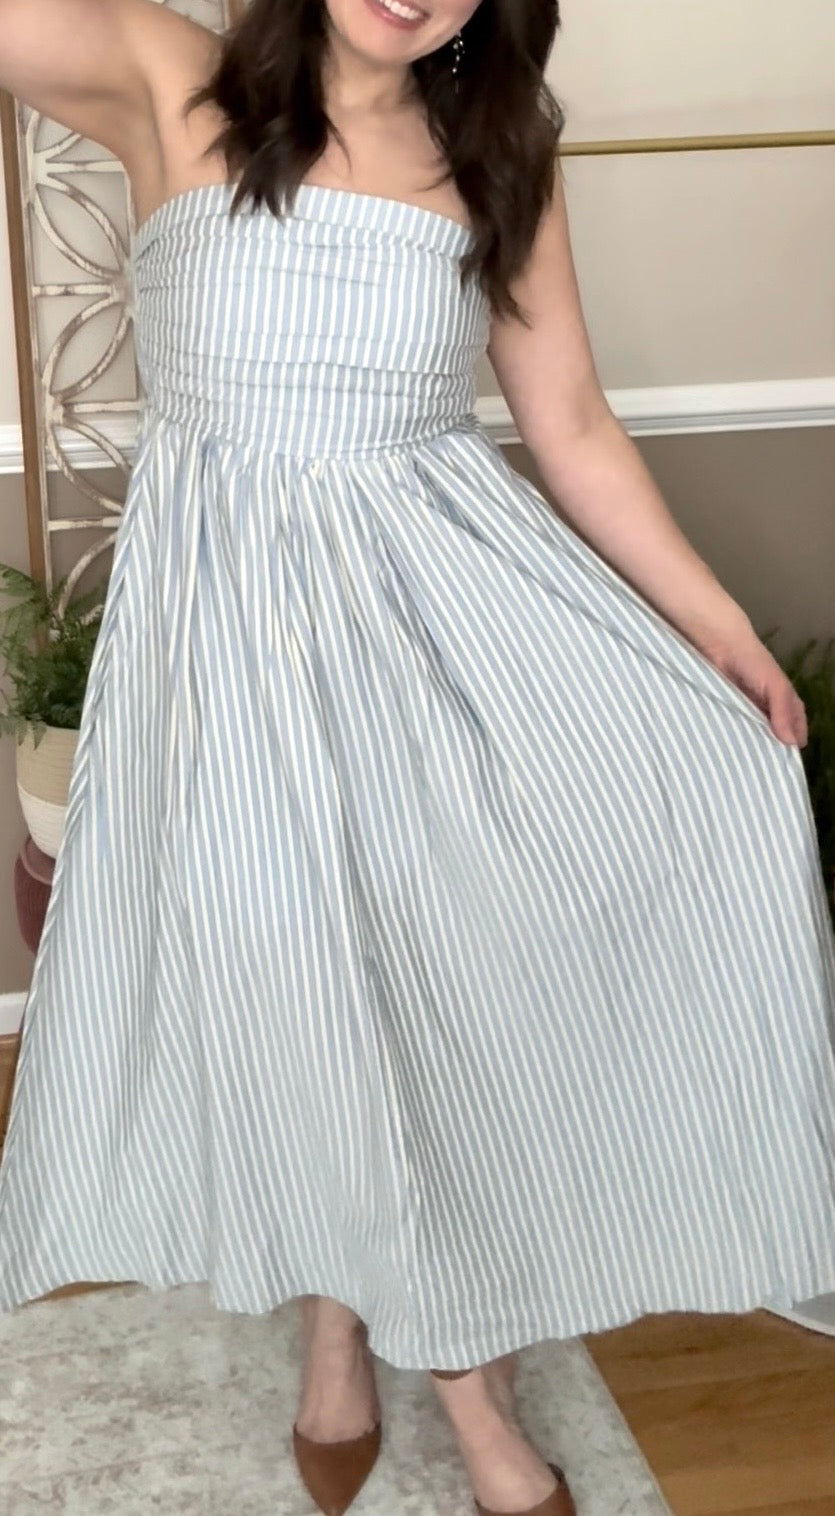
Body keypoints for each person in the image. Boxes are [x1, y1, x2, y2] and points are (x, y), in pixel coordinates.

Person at [1, 1, 834, 1513]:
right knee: (310, 997)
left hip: (444, 637)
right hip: (233, 673)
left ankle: (458, 1381)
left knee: (449, 1000)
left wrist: (725, 641)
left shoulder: (494, 147)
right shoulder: (160, 72)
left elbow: (568, 422)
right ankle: (345, 1324)